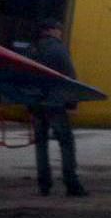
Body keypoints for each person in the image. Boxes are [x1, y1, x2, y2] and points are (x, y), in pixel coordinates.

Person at [27, 19, 86, 196]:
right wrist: (72, 103)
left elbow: (25, 79)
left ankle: (44, 185)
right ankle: (71, 183)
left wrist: (29, 104)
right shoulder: (58, 49)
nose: (60, 33)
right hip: (55, 103)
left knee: (41, 144)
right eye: (59, 30)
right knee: (66, 143)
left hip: (37, 104)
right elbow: (70, 76)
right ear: (51, 31)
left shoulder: (32, 49)